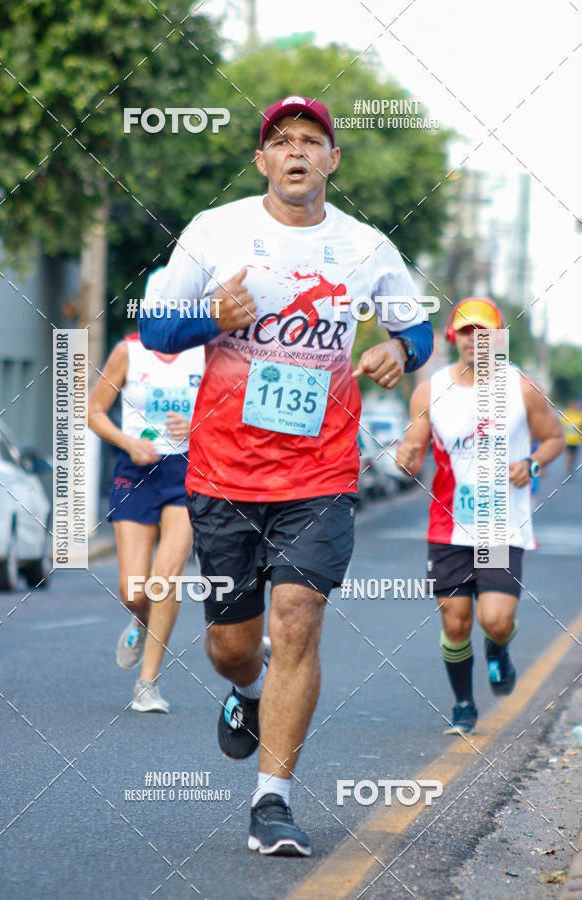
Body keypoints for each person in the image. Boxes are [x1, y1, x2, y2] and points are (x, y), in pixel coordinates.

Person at [138, 95, 433, 855]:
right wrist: (214, 319)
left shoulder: (366, 248)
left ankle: (272, 801)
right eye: (282, 141)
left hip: (321, 473)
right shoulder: (217, 231)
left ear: (333, 160)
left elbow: (418, 328)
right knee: (233, 647)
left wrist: (401, 353)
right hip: (225, 472)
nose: (297, 151)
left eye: (313, 141)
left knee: (297, 619)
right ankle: (244, 691)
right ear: (262, 160)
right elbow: (157, 328)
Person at [396, 297, 565, 735]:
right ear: (454, 337)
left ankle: (498, 648)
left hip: (499, 524)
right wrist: (406, 456)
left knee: (495, 619)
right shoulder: (430, 390)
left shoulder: (521, 388)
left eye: (484, 332)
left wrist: (531, 464)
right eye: (467, 332)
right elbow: (412, 449)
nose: (476, 340)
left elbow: (554, 439)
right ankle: (464, 705)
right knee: (455, 622)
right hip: (448, 525)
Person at [88, 268, 204, 713]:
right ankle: (140, 620)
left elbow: (231, 412)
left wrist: (197, 424)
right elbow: (95, 411)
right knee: (134, 590)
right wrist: (129, 442)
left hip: (186, 471)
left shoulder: (205, 354)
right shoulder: (128, 351)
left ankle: (147, 684)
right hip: (134, 470)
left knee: (165, 580)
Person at [561, 401, 582, 476]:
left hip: (576, 441)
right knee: (569, 455)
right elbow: (562, 426)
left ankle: (570, 468)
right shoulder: (567, 415)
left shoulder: (578, 416)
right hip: (568, 440)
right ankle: (568, 469)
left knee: (574, 456)